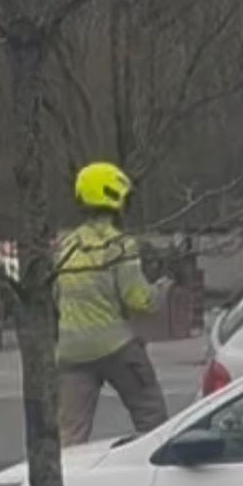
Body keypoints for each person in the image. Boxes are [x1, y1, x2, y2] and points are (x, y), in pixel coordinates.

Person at [56, 162, 169, 447]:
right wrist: (163, 287)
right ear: (114, 197)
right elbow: (139, 299)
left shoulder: (65, 246)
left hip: (71, 351)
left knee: (70, 434)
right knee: (152, 416)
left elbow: (55, 296)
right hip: (116, 347)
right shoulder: (120, 246)